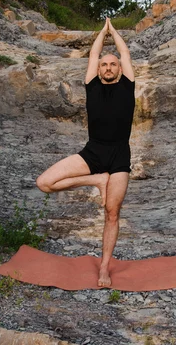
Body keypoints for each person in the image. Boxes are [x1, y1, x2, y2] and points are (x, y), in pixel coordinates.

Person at [36, 17, 135, 287]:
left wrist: (113, 31)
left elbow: (125, 53)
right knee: (44, 182)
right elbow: (93, 53)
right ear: (99, 69)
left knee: (112, 213)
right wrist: (101, 34)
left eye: (112, 64)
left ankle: (104, 268)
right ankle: (96, 180)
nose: (108, 66)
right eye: (104, 64)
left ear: (119, 69)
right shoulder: (91, 85)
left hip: (119, 157)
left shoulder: (128, 85)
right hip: (92, 153)